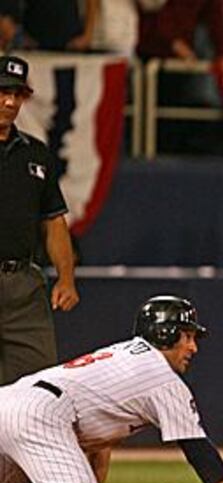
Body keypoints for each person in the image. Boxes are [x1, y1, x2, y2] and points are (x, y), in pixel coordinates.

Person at [0, 295, 223, 483]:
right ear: (166, 332)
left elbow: (98, 439)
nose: (193, 347)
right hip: (40, 414)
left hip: (13, 400)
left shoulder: (127, 356)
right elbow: (198, 450)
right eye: (188, 336)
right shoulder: (162, 378)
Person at [0, 55, 79, 387]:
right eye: (2, 92)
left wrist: (66, 277)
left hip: (23, 287)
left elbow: (54, 221)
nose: (9, 101)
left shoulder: (36, 155)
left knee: (40, 389)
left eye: (18, 95)